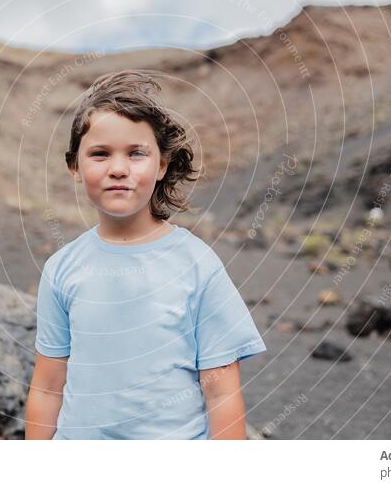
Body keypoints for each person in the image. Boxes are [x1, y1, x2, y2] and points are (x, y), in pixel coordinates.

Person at [25, 70, 266, 440]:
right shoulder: (62, 269)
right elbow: (47, 386)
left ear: (162, 165)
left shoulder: (196, 264)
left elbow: (221, 389)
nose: (118, 169)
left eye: (136, 153)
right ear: (75, 167)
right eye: (100, 154)